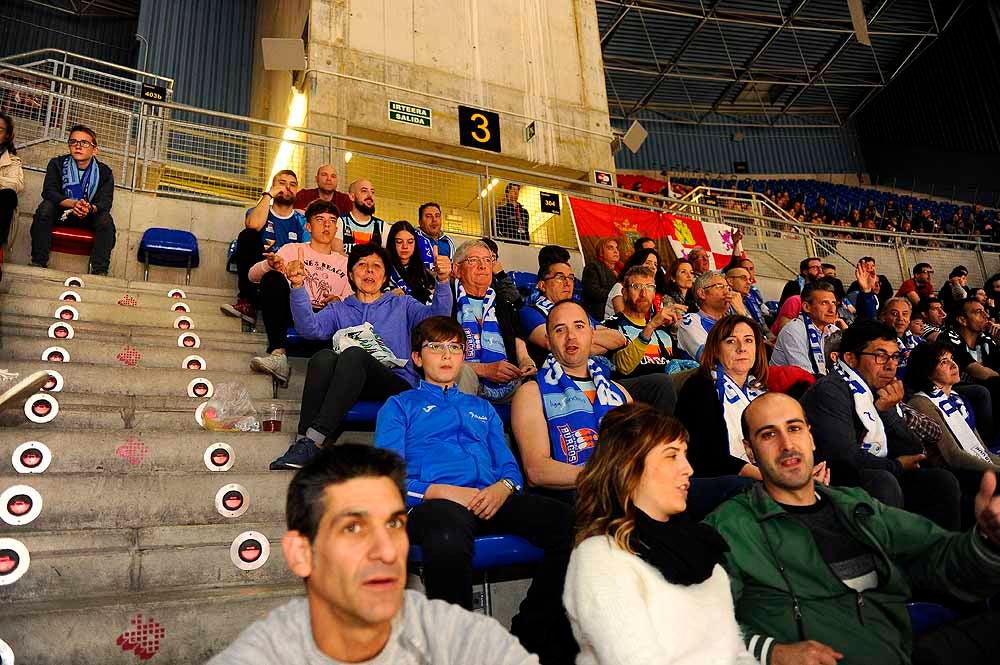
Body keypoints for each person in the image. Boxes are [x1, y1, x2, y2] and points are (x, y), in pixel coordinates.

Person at [705, 392, 1000, 665]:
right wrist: (771, 652)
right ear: (750, 451)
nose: (786, 445)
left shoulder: (856, 506)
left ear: (811, 437)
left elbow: (943, 558)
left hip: (900, 651)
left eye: (794, 428)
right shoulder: (730, 526)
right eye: (768, 434)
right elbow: (694, 620)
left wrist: (988, 540)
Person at [207, 443, 538, 665]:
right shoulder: (262, 656)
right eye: (353, 528)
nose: (386, 551)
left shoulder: (453, 631)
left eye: (394, 523)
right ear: (300, 554)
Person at [375, 316, 575, 663]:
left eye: (455, 347)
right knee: (447, 531)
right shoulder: (398, 406)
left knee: (570, 522)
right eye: (435, 347)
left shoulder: (482, 408)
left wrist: (504, 487)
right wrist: (443, 492)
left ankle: (530, 634)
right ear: (418, 358)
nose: (446, 355)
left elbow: (510, 467)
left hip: (490, 498)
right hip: (433, 505)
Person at [565, 403, 756, 665]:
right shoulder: (599, 557)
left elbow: (736, 652)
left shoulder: (701, 546)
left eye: (685, 455)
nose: (688, 468)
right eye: (671, 455)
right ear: (629, 466)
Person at [269, 243, 453, 470]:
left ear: (385, 276)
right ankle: (305, 444)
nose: (369, 271)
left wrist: (443, 282)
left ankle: (314, 440)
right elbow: (310, 329)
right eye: (362, 265)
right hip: (350, 382)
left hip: (396, 384)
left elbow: (438, 319)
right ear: (349, 274)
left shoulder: (402, 304)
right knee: (322, 357)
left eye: (377, 266)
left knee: (354, 354)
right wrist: (298, 287)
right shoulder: (340, 309)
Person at [800, 319, 962, 529]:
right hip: (833, 478)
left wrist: (887, 411)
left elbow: (914, 450)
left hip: (877, 470)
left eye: (895, 356)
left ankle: (942, 554)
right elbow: (844, 457)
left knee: (941, 481)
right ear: (850, 358)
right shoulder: (830, 390)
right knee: (883, 481)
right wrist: (897, 466)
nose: (891, 364)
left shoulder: (880, 386)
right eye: (880, 356)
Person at [512, 300, 631, 502]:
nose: (571, 336)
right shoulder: (531, 393)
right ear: (548, 341)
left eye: (579, 326)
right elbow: (537, 470)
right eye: (560, 330)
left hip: (633, 490)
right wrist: (606, 477)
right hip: (579, 497)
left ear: (592, 334)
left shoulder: (619, 392)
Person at [247, 200, 353, 384]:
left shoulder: (345, 263)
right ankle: (278, 354)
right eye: (320, 219)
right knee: (272, 278)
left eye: (332, 220)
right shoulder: (292, 249)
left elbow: (352, 300)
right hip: (293, 312)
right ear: (308, 226)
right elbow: (252, 276)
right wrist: (269, 265)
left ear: (336, 228)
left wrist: (338, 300)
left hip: (325, 318)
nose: (327, 224)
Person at [676, 316, 768, 481]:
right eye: (731, 342)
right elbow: (707, 457)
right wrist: (770, 478)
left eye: (748, 340)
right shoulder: (700, 387)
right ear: (716, 350)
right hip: (718, 481)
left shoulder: (762, 391)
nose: (741, 348)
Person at [451, 240, 535, 402]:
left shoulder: (503, 304)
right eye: (473, 260)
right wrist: (484, 369)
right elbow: (440, 356)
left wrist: (526, 362)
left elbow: (518, 341)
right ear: (457, 269)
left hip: (507, 383)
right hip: (464, 382)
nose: (482, 266)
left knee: (533, 386)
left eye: (488, 260)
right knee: (463, 374)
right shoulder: (448, 302)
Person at [223, 169, 308, 323]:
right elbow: (253, 225)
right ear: (273, 187)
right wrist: (268, 195)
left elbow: (307, 250)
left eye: (292, 185)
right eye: (282, 183)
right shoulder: (258, 211)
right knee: (247, 235)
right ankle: (248, 303)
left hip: (288, 272)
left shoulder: (302, 220)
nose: (287, 188)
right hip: (262, 267)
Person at [30, 125, 116, 275]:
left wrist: (88, 208)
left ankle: (100, 271)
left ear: (94, 149)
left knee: (105, 220)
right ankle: (38, 262)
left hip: (88, 216)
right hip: (61, 213)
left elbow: (105, 202)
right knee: (45, 208)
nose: (78, 146)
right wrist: (73, 203)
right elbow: (49, 192)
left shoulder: (104, 172)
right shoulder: (57, 164)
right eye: (73, 142)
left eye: (84, 143)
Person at [905, 341, 1000, 477]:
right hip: (954, 475)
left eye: (952, 359)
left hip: (975, 468)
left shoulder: (957, 399)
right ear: (927, 371)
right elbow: (953, 456)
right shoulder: (921, 403)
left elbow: (984, 452)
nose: (953, 365)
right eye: (944, 362)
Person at [602, 266, 687, 380]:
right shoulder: (610, 326)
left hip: (668, 391)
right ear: (624, 292)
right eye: (636, 287)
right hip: (631, 391)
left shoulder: (663, 332)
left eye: (649, 287)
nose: (643, 293)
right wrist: (651, 326)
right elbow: (622, 368)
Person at [771, 282, 849, 376]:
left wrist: (847, 333)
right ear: (807, 307)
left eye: (833, 303)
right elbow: (805, 375)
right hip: (789, 388)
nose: (832, 309)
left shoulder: (832, 330)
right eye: (824, 303)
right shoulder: (793, 330)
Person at [677, 271, 746, 361]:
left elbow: (756, 351)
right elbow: (709, 358)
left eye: (728, 288)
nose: (727, 292)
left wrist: (742, 313)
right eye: (720, 286)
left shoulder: (733, 322)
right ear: (702, 293)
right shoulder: (690, 321)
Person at [604, 248, 668, 319]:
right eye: (647, 263)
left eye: (655, 264)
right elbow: (625, 321)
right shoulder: (619, 287)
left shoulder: (653, 290)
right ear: (637, 264)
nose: (653, 267)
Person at [386, 220, 434, 305]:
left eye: (410, 242)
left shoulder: (425, 273)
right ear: (392, 243)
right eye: (399, 242)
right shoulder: (383, 270)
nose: (405, 246)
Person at [0, 112, 23, 280]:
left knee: (9, 195)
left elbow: (16, 184)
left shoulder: (13, 161)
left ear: (7, 135)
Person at [337, 179, 386, 254]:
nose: (370, 195)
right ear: (352, 196)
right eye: (364, 191)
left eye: (372, 192)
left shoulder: (383, 227)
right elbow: (337, 254)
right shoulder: (340, 222)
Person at [725, 264, 772, 340]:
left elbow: (762, 324)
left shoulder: (750, 299)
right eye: (743, 278)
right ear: (730, 281)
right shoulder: (726, 302)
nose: (749, 282)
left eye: (749, 279)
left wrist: (771, 337)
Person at [879, 297, 923, 377]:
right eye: (894, 314)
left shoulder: (920, 343)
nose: (900, 318)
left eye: (905, 314)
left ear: (909, 319)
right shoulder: (879, 342)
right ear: (883, 316)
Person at [581, 238, 620, 320]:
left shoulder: (621, 270)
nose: (616, 251)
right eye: (610, 248)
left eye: (617, 248)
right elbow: (593, 292)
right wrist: (617, 295)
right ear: (601, 252)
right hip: (599, 317)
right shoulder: (593, 267)